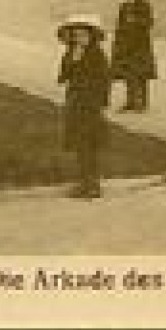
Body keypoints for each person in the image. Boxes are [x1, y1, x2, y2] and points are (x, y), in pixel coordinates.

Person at [55, 13, 112, 199]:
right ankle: (83, 182)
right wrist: (73, 61)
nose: (80, 38)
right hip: (75, 103)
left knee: (90, 144)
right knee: (79, 144)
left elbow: (104, 80)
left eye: (84, 35)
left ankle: (93, 184)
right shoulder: (70, 54)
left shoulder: (98, 55)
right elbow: (62, 77)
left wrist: (101, 101)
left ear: (92, 36)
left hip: (91, 105)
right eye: (76, 34)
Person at [111, 0, 156, 112]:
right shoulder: (123, 7)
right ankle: (130, 101)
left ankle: (142, 103)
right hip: (127, 45)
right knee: (128, 73)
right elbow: (119, 27)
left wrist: (136, 20)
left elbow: (149, 23)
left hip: (141, 44)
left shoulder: (144, 4)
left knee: (141, 74)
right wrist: (117, 43)